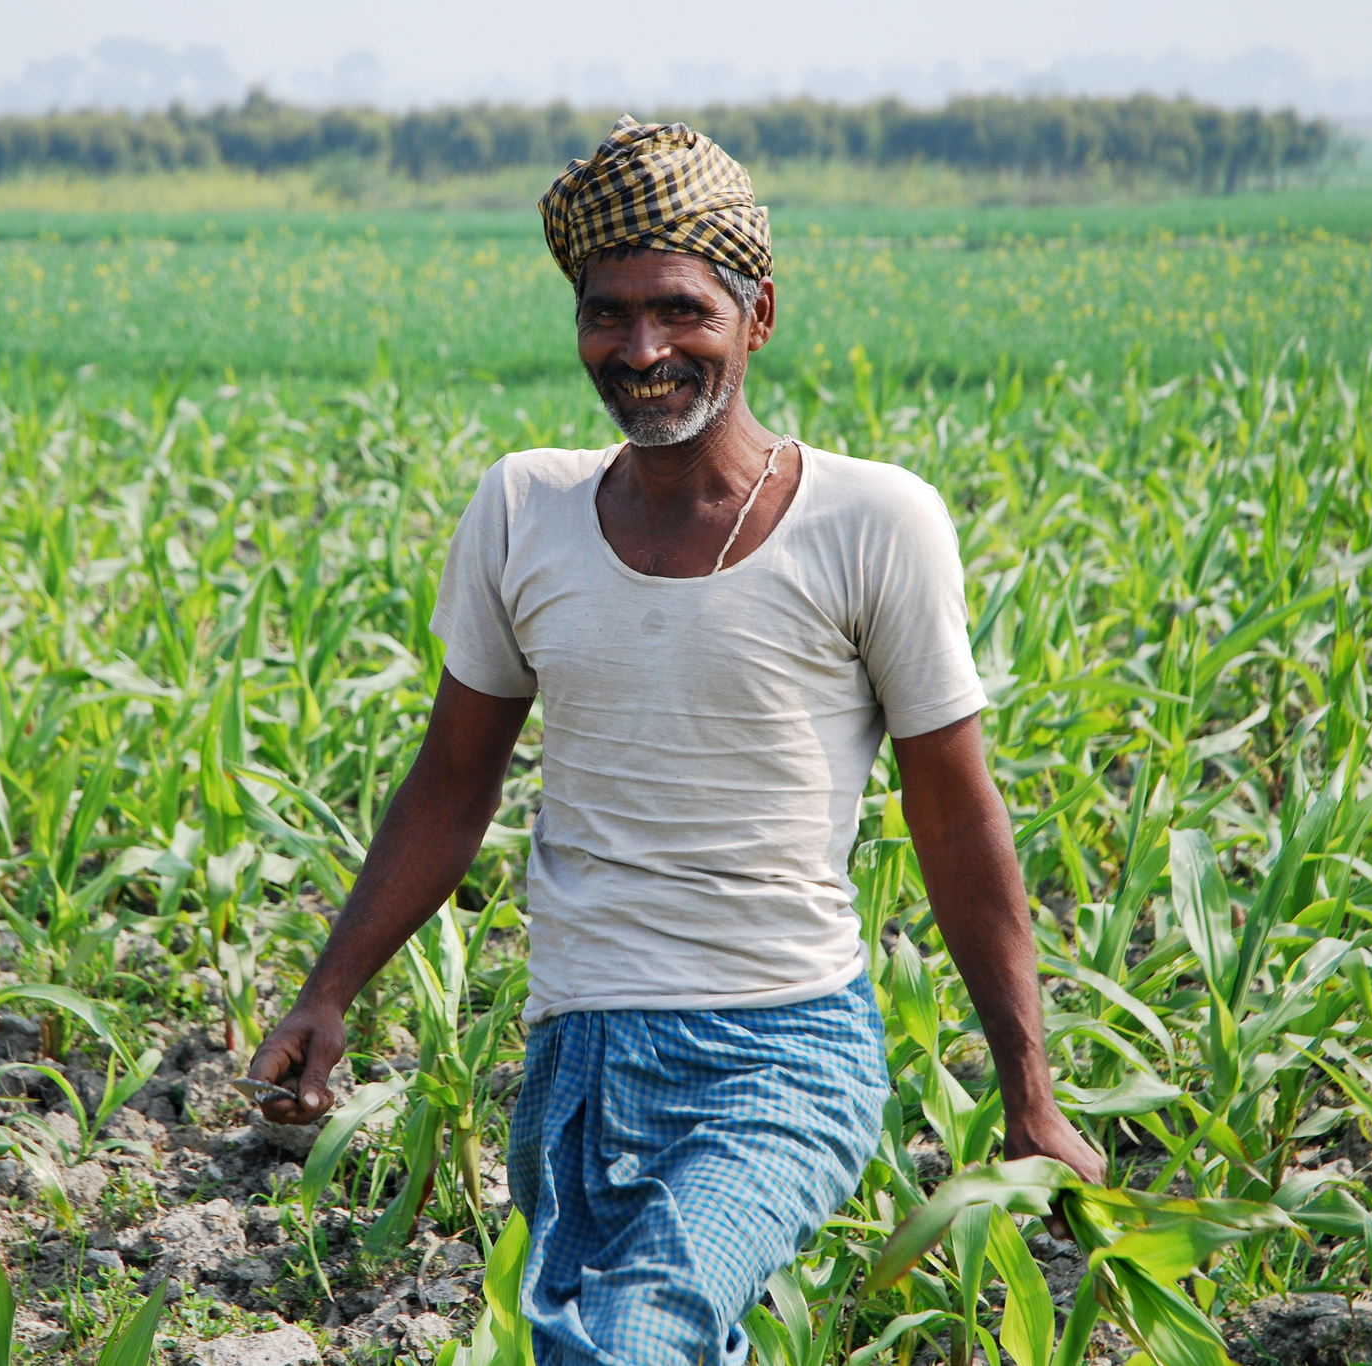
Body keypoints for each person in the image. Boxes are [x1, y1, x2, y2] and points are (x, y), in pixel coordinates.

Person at [246, 114, 1105, 1366]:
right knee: (602, 1343)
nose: (641, 349)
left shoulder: (873, 523)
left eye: (681, 311)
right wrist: (329, 990)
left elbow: (954, 816)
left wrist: (1026, 1087)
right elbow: (449, 781)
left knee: (636, 1332)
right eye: (607, 315)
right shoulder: (520, 509)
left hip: (782, 1044)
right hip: (577, 1049)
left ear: (756, 316)